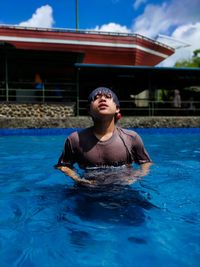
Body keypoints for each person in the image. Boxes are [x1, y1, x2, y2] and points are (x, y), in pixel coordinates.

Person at [55, 87, 153, 185]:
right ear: (89, 110)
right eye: (96, 98)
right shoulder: (75, 139)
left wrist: (135, 176)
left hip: (122, 190)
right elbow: (63, 165)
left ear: (117, 108)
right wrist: (77, 179)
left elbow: (146, 163)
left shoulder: (131, 138)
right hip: (88, 191)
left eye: (108, 97)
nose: (102, 99)